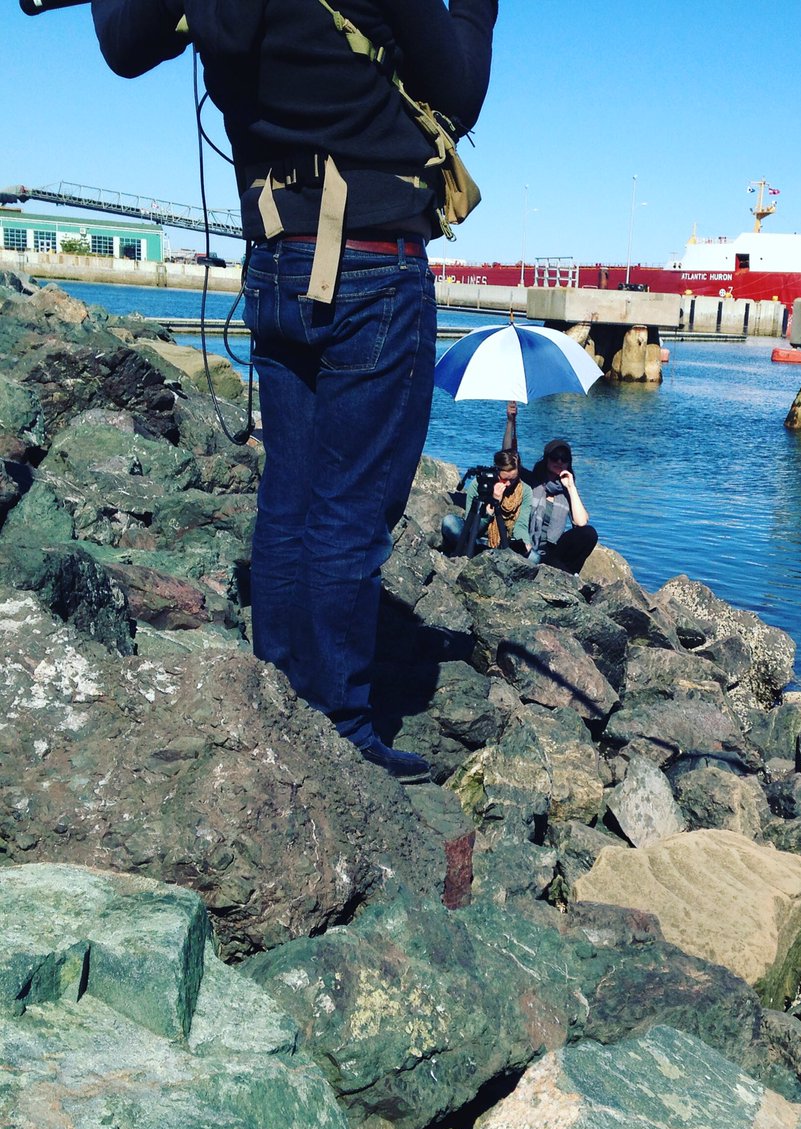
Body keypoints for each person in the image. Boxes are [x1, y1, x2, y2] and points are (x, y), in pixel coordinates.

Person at [92, 0, 497, 783]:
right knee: (349, 509)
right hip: (373, 264)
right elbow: (460, 89)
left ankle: (277, 702)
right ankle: (339, 732)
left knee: (289, 495)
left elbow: (123, 42)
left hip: (276, 258)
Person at [528, 437, 598, 574]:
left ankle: (568, 576)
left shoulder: (565, 490)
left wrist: (571, 487)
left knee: (589, 533)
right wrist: (510, 422)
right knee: (553, 565)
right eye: (555, 457)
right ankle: (570, 579)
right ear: (547, 459)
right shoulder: (531, 481)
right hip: (529, 545)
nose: (559, 462)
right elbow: (509, 456)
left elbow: (581, 522)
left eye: (564, 459)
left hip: (552, 548)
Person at [442, 449, 530, 556]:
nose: (508, 484)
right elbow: (471, 527)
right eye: (504, 479)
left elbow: (521, 525)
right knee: (450, 522)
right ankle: (479, 553)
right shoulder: (479, 485)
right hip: (477, 538)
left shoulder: (525, 490)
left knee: (533, 557)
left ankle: (484, 554)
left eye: (513, 479)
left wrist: (525, 542)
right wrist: (489, 510)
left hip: (505, 542)